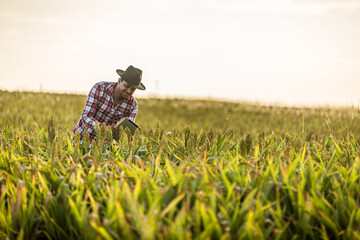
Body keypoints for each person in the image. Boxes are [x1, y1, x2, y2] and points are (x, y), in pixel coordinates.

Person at [73, 65, 145, 141]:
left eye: (133, 89)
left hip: (106, 144)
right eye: (126, 86)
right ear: (119, 81)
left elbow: (128, 129)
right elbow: (86, 116)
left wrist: (127, 136)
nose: (129, 91)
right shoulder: (99, 88)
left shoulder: (132, 105)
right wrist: (103, 128)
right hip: (82, 138)